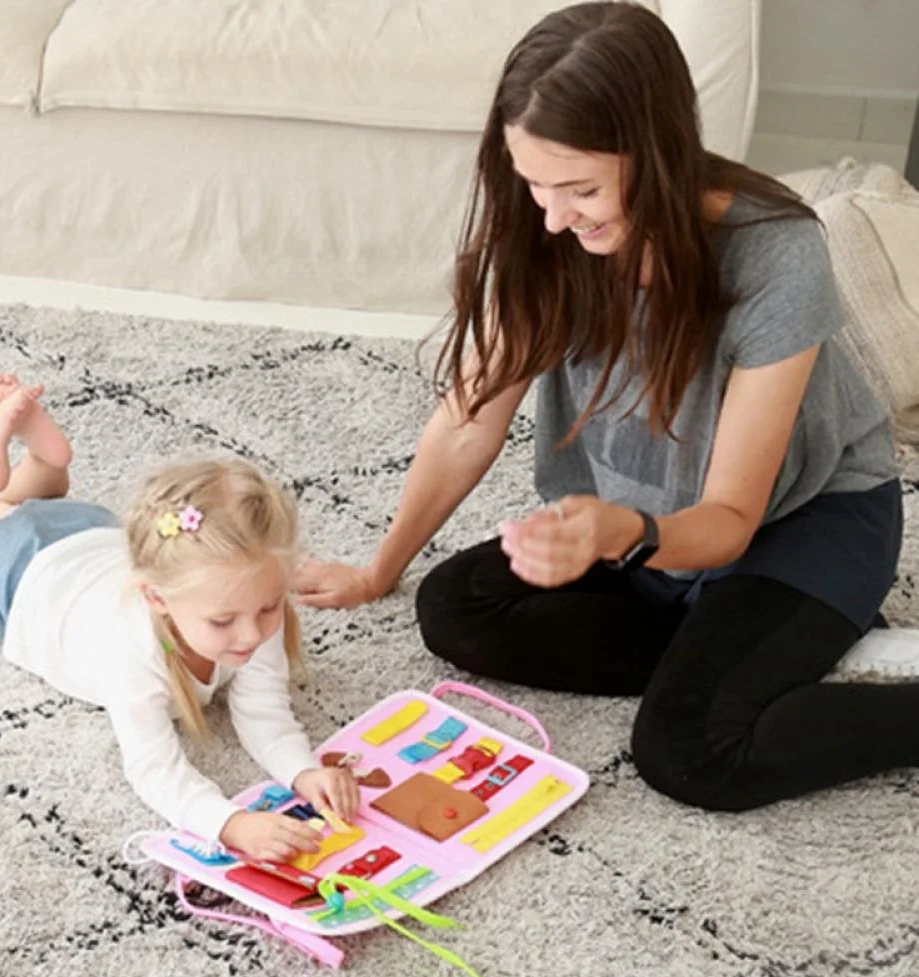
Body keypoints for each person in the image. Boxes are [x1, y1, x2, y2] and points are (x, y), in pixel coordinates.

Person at [297, 2, 915, 812]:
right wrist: (380, 568)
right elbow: (469, 416)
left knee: (691, 752)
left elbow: (730, 515)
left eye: (580, 189)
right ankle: (747, 654)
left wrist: (625, 534)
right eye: (533, 185)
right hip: (645, 522)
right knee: (454, 606)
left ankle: (792, 656)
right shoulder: (547, 228)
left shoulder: (777, 254)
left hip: (797, 521)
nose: (552, 215)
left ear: (654, 154)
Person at [0, 373, 358, 856]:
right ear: (156, 599)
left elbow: (264, 711)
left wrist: (303, 770)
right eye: (222, 622)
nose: (252, 633)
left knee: (28, 510)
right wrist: (230, 825)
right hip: (17, 576)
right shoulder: (131, 649)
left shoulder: (244, 603)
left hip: (88, 530)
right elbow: (153, 769)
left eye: (270, 607)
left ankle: (44, 464)